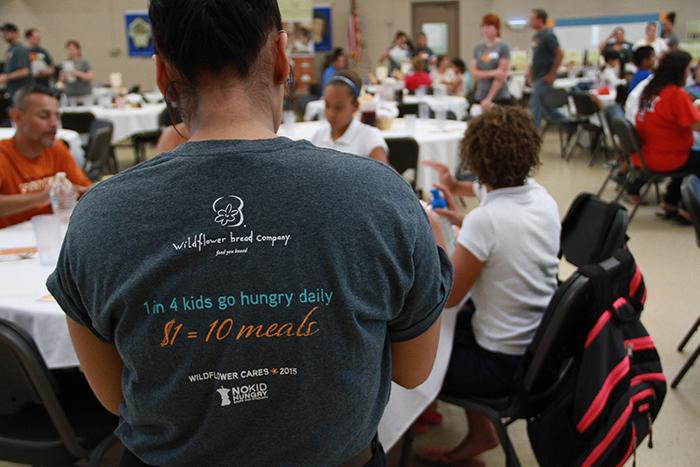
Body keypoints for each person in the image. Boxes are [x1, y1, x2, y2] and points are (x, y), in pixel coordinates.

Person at [46, 2, 453, 467]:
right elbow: (413, 370)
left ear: (162, 75)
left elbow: (113, 395)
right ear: (282, 56)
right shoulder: (383, 198)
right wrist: (432, 243)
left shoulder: (100, 216)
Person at [417, 106, 560, 465]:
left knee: (414, 353)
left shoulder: (486, 222)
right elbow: (498, 216)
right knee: (457, 325)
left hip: (498, 367)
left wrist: (435, 231)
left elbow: (446, 298)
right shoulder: (541, 197)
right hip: (539, 348)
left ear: (476, 160)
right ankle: (468, 426)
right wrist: (457, 200)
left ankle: (416, 413)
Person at [0, 84, 91, 228]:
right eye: (44, 116)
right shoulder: (3, 155)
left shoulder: (57, 148)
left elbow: (83, 190)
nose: (54, 124)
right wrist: (42, 197)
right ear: (17, 116)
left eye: (57, 116)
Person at [630, 50, 700, 223]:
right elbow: (697, 125)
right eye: (688, 69)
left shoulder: (652, 90)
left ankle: (670, 200)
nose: (690, 73)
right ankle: (688, 209)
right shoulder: (675, 95)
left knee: (692, 155)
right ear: (679, 71)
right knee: (696, 159)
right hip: (666, 156)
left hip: (647, 152)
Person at [311, 71, 388, 163]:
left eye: (338, 107)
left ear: (355, 106)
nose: (331, 113)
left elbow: (382, 176)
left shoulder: (370, 138)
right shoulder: (318, 136)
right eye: (327, 105)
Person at [527, 9, 564, 128]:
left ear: (540, 20)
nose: (530, 21)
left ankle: (533, 134)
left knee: (535, 106)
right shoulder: (536, 36)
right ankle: (570, 124)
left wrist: (551, 74)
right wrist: (530, 72)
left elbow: (559, 54)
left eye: (532, 19)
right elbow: (536, 57)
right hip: (537, 76)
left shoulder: (548, 35)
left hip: (544, 77)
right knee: (546, 107)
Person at [470, 13, 511, 108]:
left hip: (499, 96)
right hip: (480, 93)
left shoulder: (503, 47)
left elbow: (501, 75)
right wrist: (493, 72)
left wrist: (489, 98)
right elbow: (474, 73)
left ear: (496, 28)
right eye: (483, 26)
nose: (485, 29)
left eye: (489, 26)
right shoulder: (478, 48)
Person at [0, 23, 31, 99]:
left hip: (21, 91)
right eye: (3, 34)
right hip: (12, 89)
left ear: (15, 33)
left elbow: (24, 71)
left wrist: (5, 77)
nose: (4, 36)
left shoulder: (19, 49)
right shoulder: (11, 49)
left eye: (6, 33)